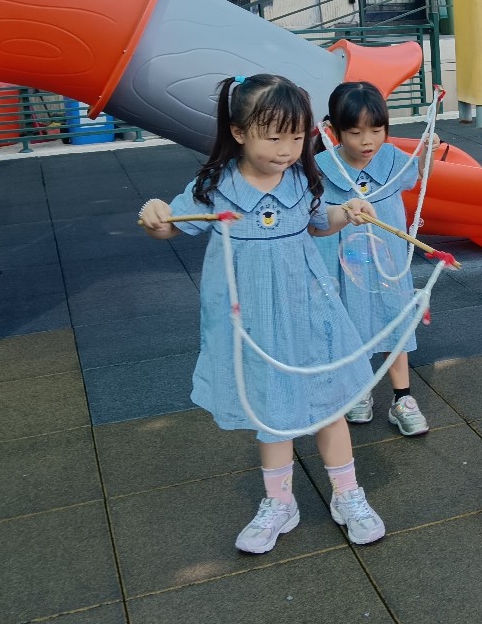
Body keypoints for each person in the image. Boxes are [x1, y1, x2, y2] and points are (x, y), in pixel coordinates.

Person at [138, 73, 387, 553]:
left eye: (296, 138)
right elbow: (170, 227)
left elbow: (320, 224)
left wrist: (348, 210)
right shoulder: (215, 187)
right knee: (272, 414)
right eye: (273, 138)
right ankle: (280, 502)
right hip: (254, 323)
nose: (286, 150)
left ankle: (347, 494)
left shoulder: (302, 179)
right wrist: (155, 212)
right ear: (238, 132)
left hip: (310, 314)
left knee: (330, 405)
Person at [313, 80, 433, 437]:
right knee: (349, 323)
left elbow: (416, 177)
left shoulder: (392, 158)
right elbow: (314, 214)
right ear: (334, 131)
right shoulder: (321, 166)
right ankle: (359, 390)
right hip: (341, 262)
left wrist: (425, 153)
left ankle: (402, 397)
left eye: (377, 130)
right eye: (355, 132)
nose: (367, 142)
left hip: (387, 261)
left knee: (393, 319)